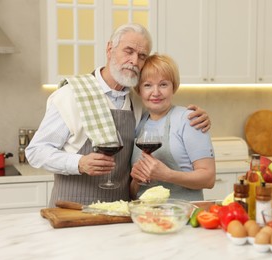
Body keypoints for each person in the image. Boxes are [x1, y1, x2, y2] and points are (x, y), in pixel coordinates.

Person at [25, 23, 211, 207]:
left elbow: (164, 113)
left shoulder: (137, 101)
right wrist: (79, 163)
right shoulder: (71, 94)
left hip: (119, 212)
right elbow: (35, 151)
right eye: (128, 51)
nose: (134, 61)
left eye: (141, 56)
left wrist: (199, 117)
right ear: (109, 49)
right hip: (73, 208)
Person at [130, 54, 215, 201]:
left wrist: (167, 175)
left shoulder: (189, 120)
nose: (155, 92)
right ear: (139, 90)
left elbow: (209, 179)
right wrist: (136, 181)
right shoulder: (138, 122)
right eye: (147, 85)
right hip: (144, 216)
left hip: (182, 215)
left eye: (163, 84)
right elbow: (133, 192)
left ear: (173, 87)